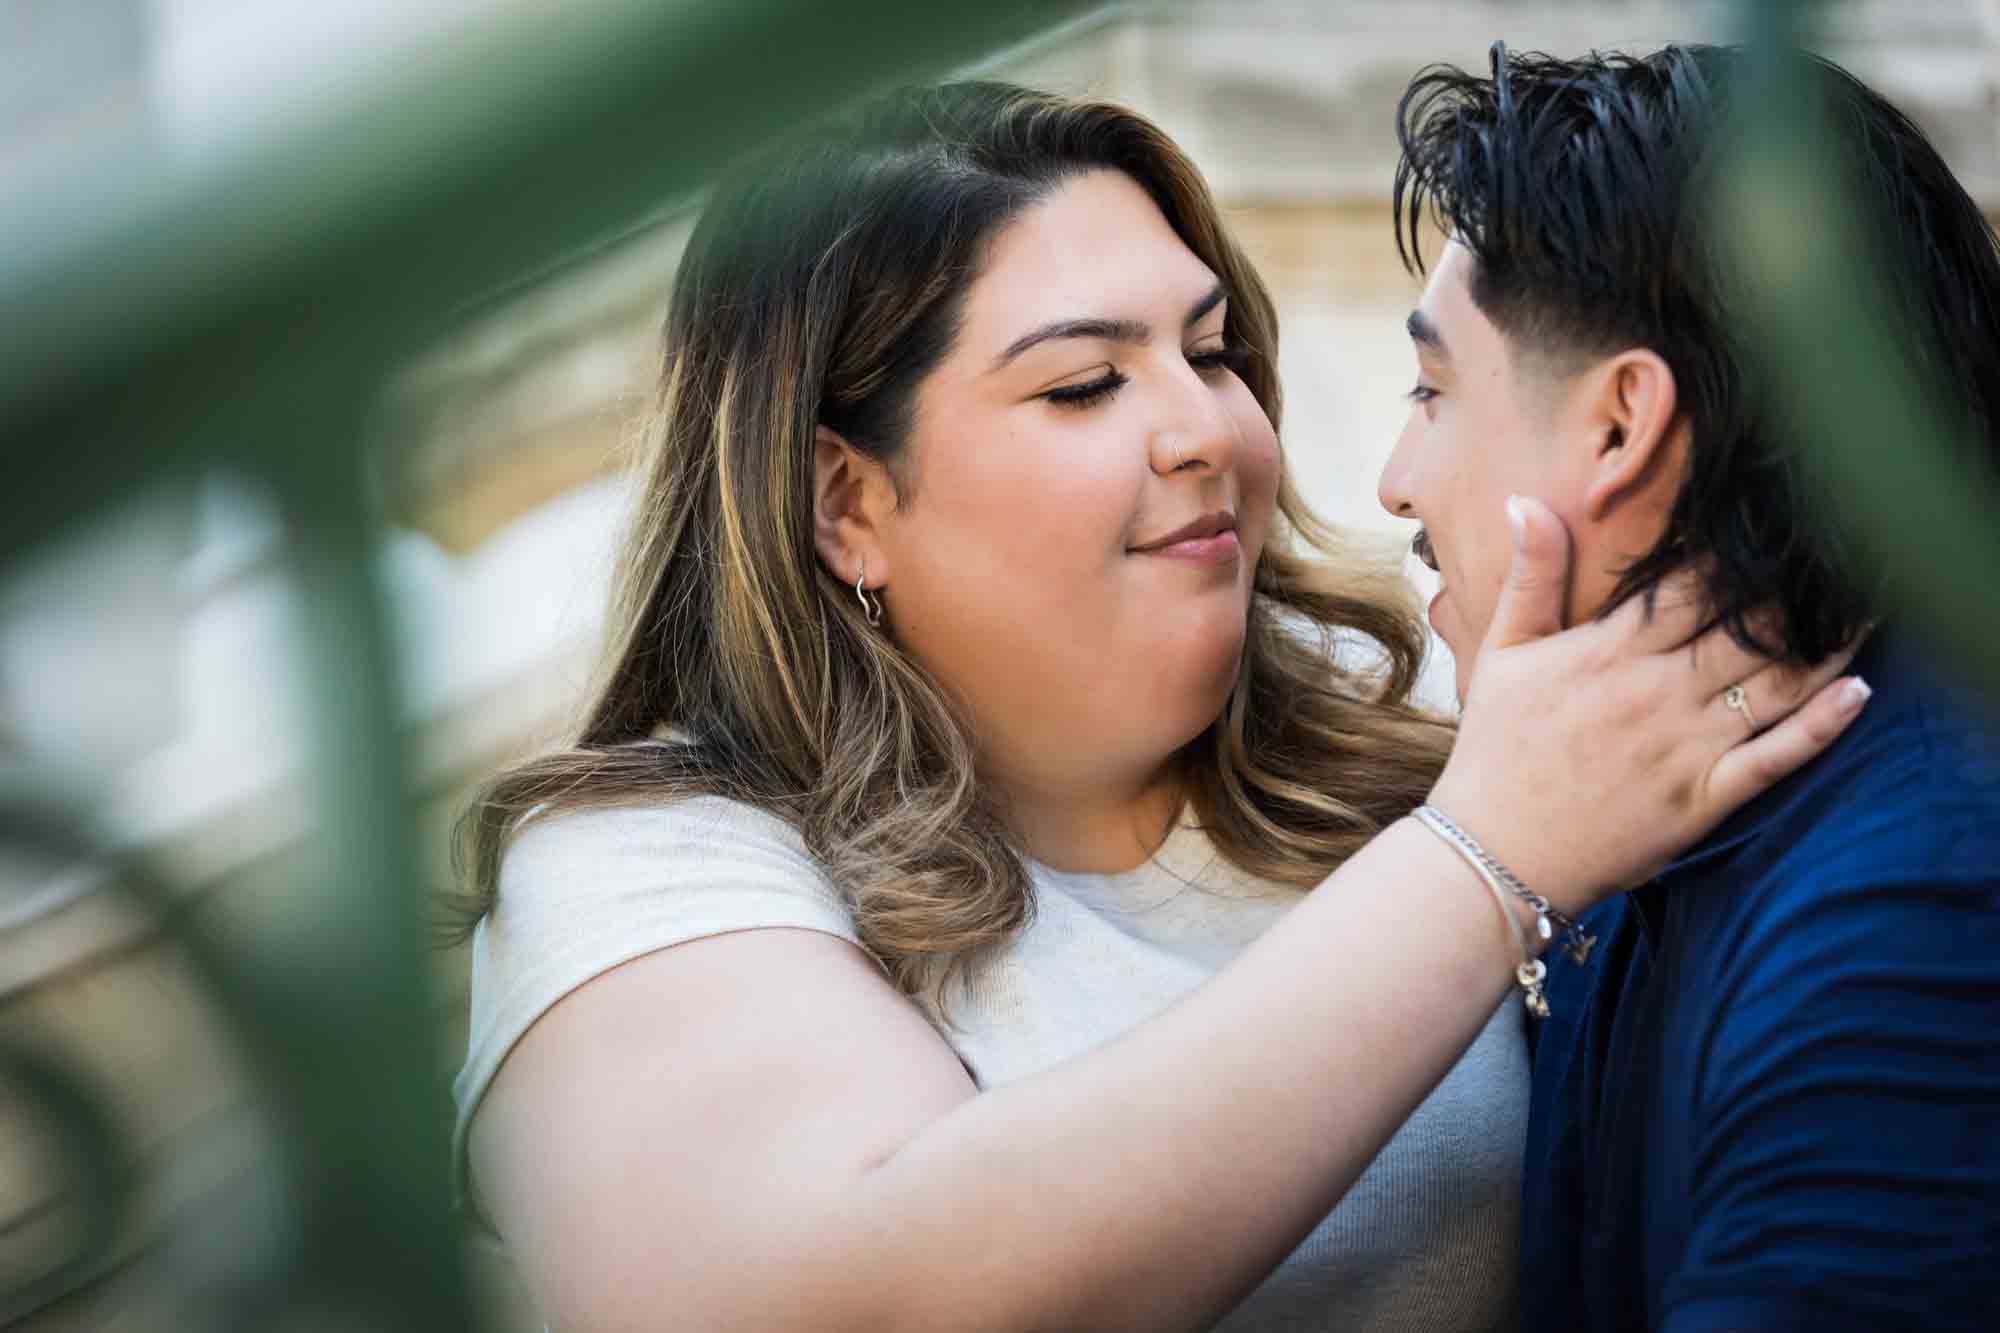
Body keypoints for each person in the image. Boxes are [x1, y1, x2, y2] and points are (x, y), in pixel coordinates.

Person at [449, 82, 1862, 1332]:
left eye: (1213, 351)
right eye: (1083, 385)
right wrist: (1482, 858)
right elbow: (858, 1296)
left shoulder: (1420, 710)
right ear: (845, 503)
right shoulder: (638, 867)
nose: (1206, 429)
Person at [1387, 43, 2000, 1332]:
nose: (1395, 478)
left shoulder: (1919, 898)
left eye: (1433, 391)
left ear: (1620, 426)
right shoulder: (1649, 811)